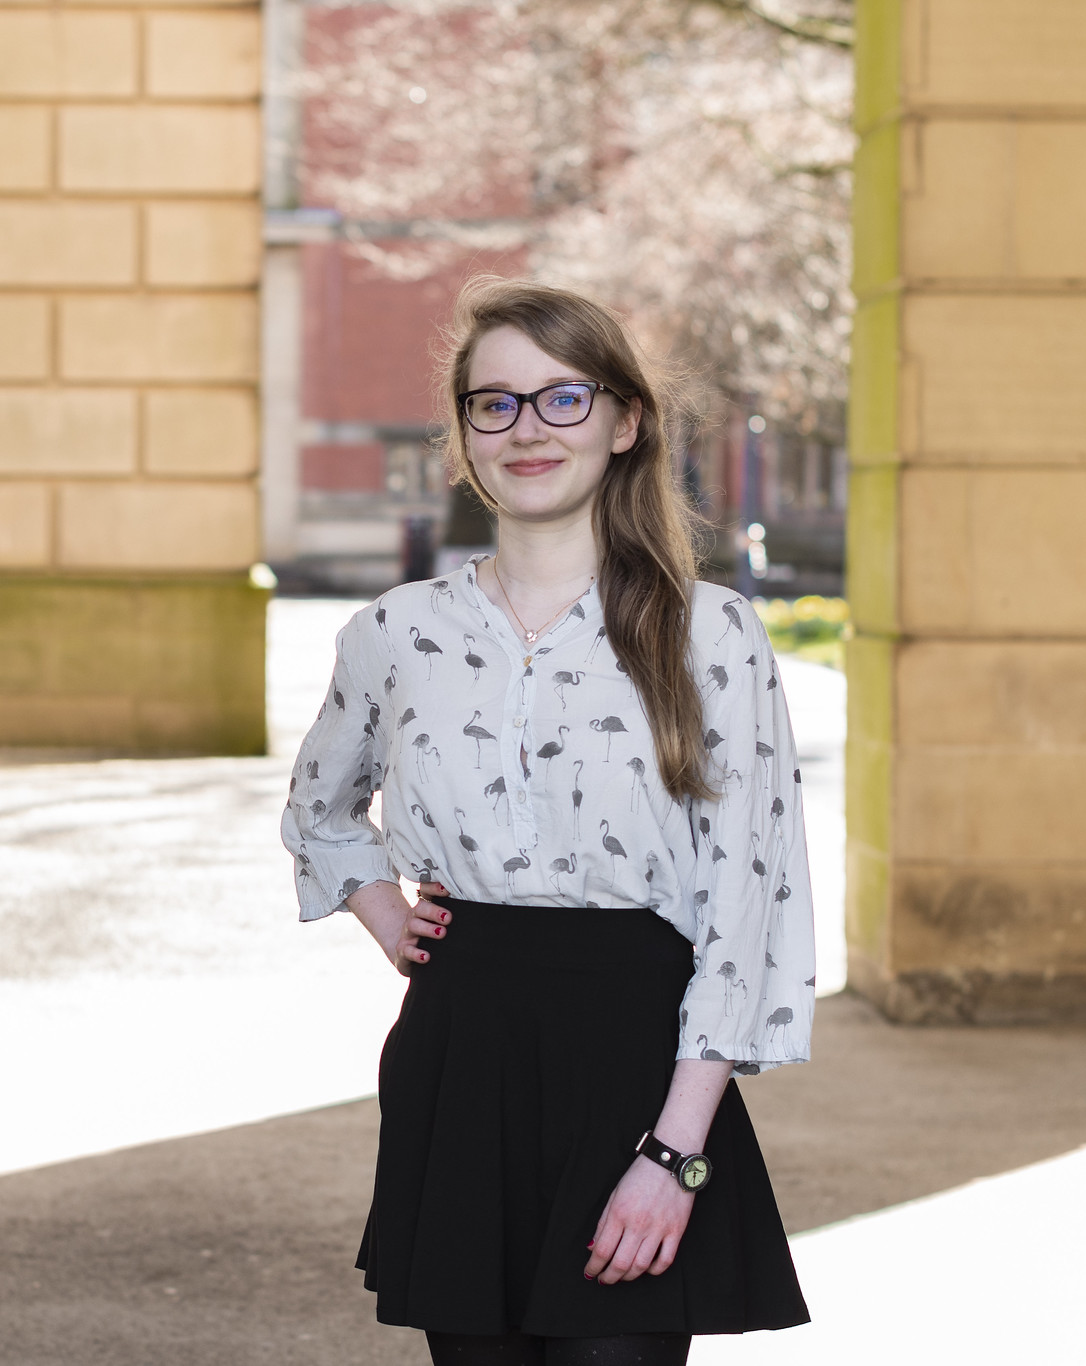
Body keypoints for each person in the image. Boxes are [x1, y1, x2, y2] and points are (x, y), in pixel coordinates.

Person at [282, 277, 815, 1366]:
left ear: (623, 422)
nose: (526, 428)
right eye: (495, 403)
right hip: (458, 1059)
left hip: (635, 1063)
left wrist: (674, 1158)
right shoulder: (396, 633)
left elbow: (743, 905)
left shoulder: (708, 635)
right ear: (463, 435)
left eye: (561, 398)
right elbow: (318, 805)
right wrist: (383, 911)